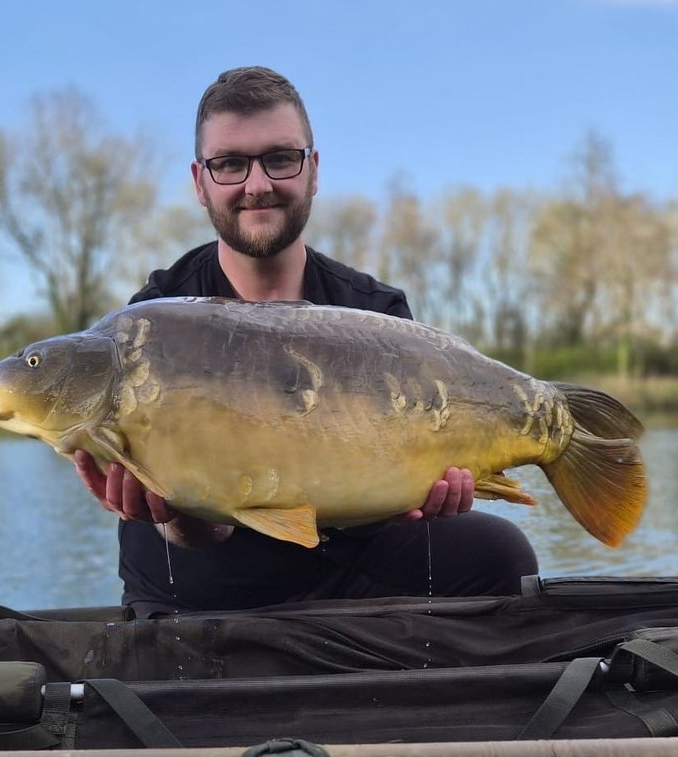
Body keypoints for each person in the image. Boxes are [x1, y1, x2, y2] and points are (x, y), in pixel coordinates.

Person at [75, 66, 538, 617]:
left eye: (279, 158)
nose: (257, 184)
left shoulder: (375, 313)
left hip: (348, 568)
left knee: (498, 550)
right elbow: (175, 524)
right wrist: (180, 518)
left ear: (312, 170)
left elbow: (403, 502)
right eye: (229, 164)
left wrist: (410, 495)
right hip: (202, 583)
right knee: (171, 571)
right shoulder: (151, 324)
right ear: (200, 182)